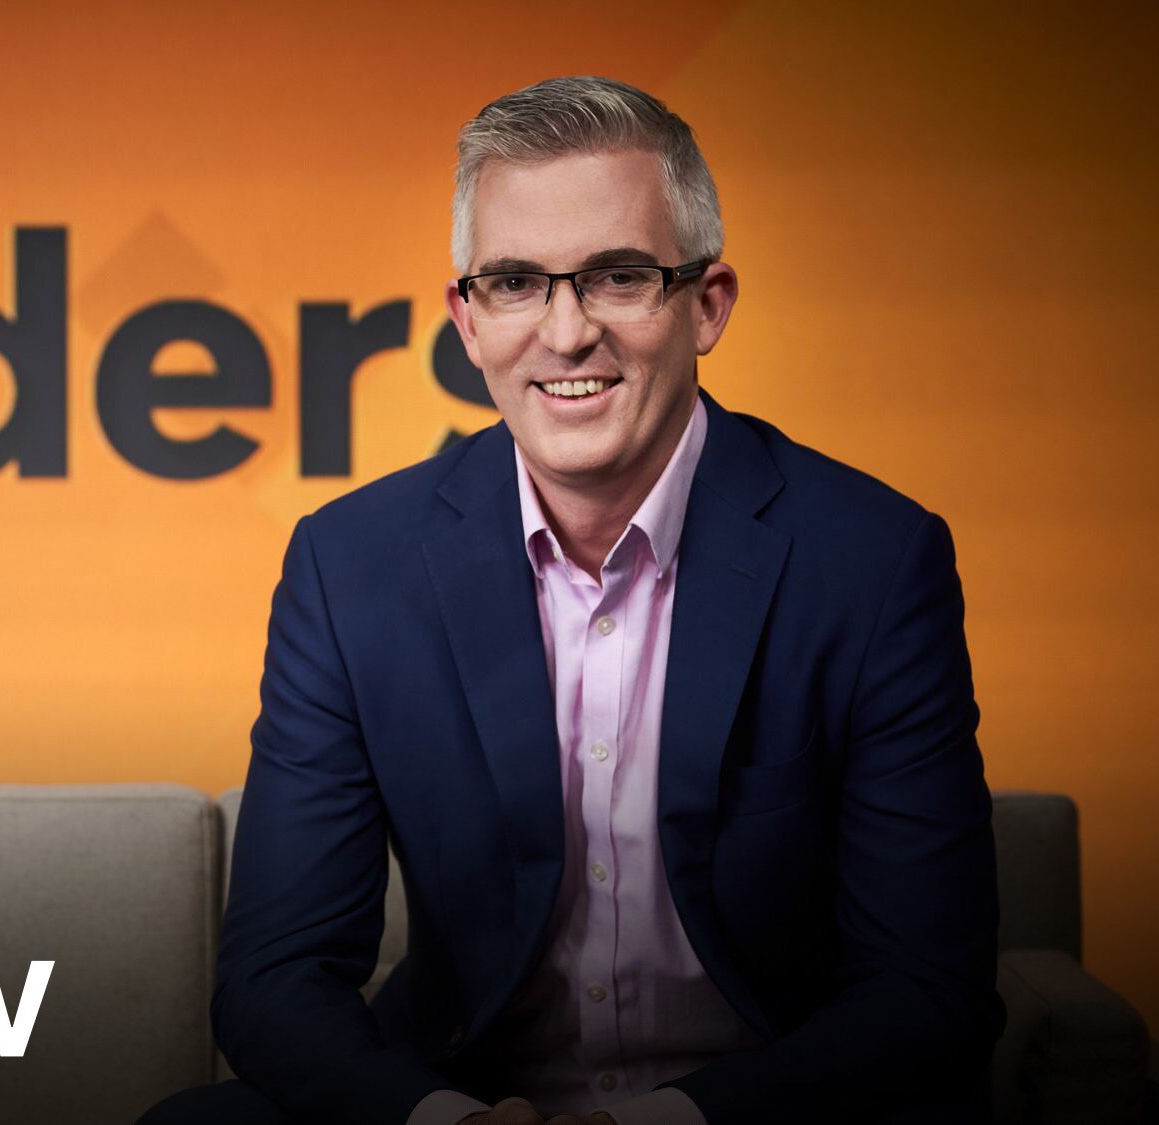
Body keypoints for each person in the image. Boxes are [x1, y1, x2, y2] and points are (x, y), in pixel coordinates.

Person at [138, 76, 1001, 1125]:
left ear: (706, 304)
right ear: (465, 319)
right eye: (513, 283)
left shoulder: (868, 562)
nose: (564, 333)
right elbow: (274, 980)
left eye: (618, 277)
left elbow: (927, 993)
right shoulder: (350, 567)